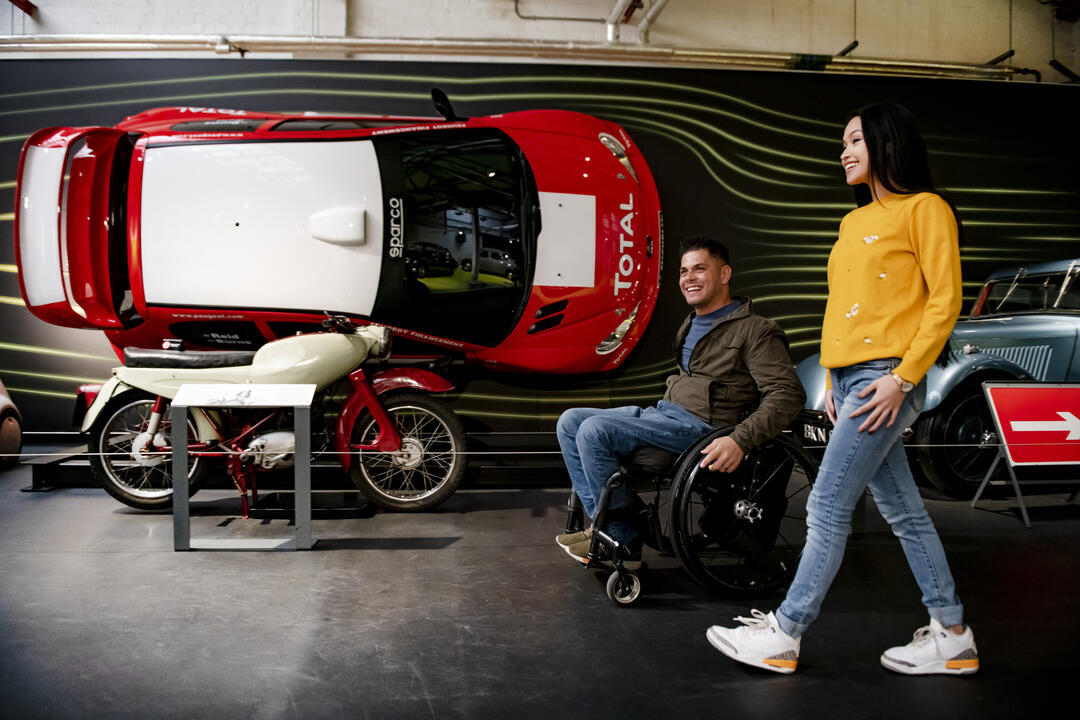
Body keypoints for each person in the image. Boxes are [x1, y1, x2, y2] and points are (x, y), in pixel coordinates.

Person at [706, 102, 978, 676]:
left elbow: (945, 300)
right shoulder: (853, 222)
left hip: (887, 377)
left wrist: (902, 378)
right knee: (903, 510)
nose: (844, 152)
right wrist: (832, 376)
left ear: (886, 144)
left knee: (826, 504)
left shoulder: (926, 208)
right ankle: (952, 635)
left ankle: (785, 632)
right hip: (853, 378)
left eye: (855, 140)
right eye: (844, 143)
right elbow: (845, 305)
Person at [555, 236, 806, 568]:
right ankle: (610, 526)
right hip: (666, 415)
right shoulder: (691, 323)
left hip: (704, 429)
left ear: (725, 274)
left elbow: (788, 394)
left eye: (700, 269)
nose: (689, 278)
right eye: (684, 271)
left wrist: (740, 439)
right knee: (570, 421)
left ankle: (623, 540)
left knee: (594, 431)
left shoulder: (756, 331)